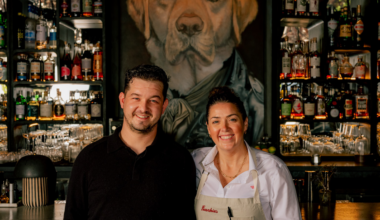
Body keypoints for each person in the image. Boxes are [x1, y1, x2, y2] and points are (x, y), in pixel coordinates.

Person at [64, 65, 196, 220]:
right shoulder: (89, 158)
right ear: (122, 100)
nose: (143, 108)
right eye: (136, 98)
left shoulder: (180, 159)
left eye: (153, 100)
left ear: (163, 107)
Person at [192, 87, 301, 220]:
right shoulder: (196, 163)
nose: (224, 128)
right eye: (216, 121)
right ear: (208, 128)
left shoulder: (273, 170)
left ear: (245, 124)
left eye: (232, 119)